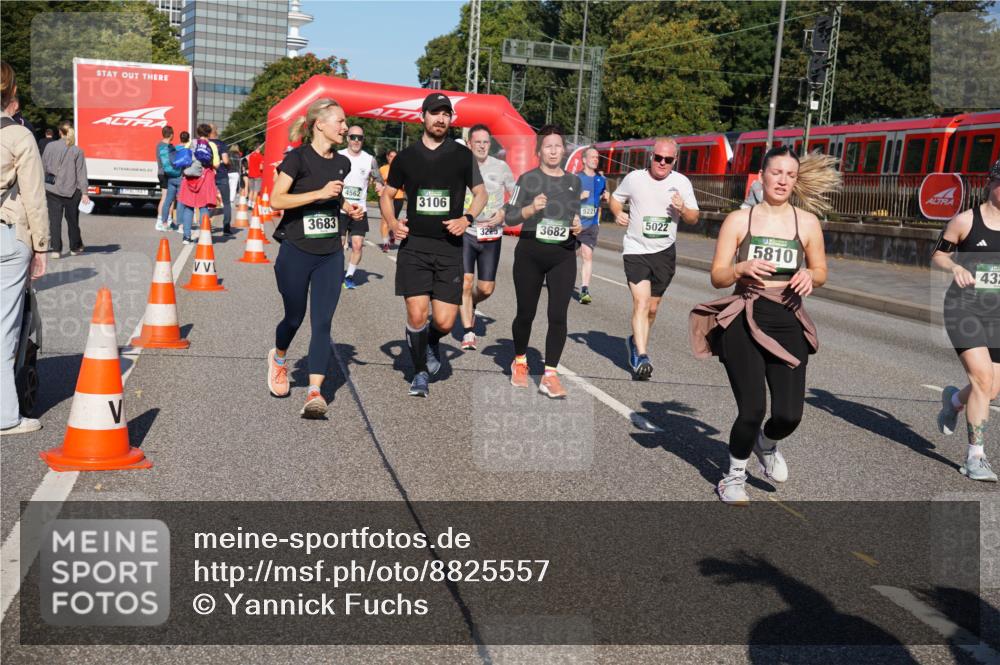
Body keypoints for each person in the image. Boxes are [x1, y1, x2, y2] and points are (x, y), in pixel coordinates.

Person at [690, 147, 839, 505]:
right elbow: (717, 276)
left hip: (787, 320)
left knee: (789, 414)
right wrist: (740, 269)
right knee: (752, 408)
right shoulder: (740, 221)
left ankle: (766, 443)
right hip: (745, 317)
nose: (783, 180)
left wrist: (809, 275)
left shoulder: (807, 223)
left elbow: (821, 270)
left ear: (796, 179)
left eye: (790, 174)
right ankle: (734, 476)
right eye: (776, 173)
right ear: (762, 176)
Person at [378, 92, 487, 397]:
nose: (441, 119)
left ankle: (432, 341)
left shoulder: (462, 155)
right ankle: (419, 373)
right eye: (435, 113)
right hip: (414, 247)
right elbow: (386, 194)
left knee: (444, 320)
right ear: (422, 117)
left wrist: (467, 218)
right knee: (416, 314)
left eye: (446, 114)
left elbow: (481, 193)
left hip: (449, 248)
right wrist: (393, 223)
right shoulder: (407, 157)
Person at [268, 98, 364, 418]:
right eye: (340, 121)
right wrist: (318, 194)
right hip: (295, 250)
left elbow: (333, 199)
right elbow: (276, 199)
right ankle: (280, 358)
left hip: (330, 254)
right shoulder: (297, 159)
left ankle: (314, 393)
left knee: (322, 323)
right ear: (319, 124)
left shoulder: (342, 163)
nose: (345, 127)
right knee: (294, 318)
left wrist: (346, 208)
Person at [609, 137, 699, 380]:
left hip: (664, 252)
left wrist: (683, 209)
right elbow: (615, 199)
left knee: (652, 308)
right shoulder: (635, 179)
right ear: (651, 156)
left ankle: (634, 342)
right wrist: (618, 213)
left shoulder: (682, 183)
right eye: (658, 158)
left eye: (667, 160)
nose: (662, 163)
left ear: (675, 161)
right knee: (641, 302)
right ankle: (642, 355)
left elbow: (693, 217)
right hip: (636, 249)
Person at [503, 125, 583, 399]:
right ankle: (521, 361)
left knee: (558, 316)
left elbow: (573, 217)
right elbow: (510, 217)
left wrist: (576, 224)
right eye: (547, 146)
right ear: (539, 152)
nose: (553, 151)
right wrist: (530, 208)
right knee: (526, 314)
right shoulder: (527, 179)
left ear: (564, 150)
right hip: (530, 255)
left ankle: (550, 374)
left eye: (557, 146)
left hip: (563, 255)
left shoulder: (574, 181)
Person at [933, 158, 1000, 483]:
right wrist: (955, 267)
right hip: (964, 309)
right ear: (990, 182)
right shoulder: (966, 221)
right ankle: (976, 457)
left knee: (992, 389)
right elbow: (939, 254)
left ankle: (954, 401)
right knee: (982, 379)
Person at [1, 60, 49, 435]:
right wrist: (42, 247)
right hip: (7, 236)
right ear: (10, 94)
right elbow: (34, 198)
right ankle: (5, 415)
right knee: (4, 327)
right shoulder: (18, 137)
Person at [460, 123, 516, 350]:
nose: (482, 146)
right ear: (469, 144)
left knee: (485, 289)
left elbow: (516, 194)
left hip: (491, 234)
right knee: (466, 282)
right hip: (465, 232)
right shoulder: (461, 165)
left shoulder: (501, 167)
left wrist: (504, 212)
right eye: (477, 142)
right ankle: (467, 332)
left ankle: (470, 304)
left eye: (485, 142)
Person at [337, 125, 383, 289]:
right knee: (339, 245)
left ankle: (349, 275)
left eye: (360, 138)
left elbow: (379, 179)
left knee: (357, 244)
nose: (356, 141)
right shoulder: (338, 156)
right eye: (353, 137)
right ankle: (335, 273)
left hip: (359, 210)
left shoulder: (369, 159)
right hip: (341, 207)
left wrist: (379, 185)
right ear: (348, 138)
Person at [42, 121, 90, 257]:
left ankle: (56, 250)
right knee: (73, 220)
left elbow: (42, 166)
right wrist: (85, 193)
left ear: (59, 132)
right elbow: (81, 173)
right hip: (72, 190)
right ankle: (74, 248)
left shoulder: (50, 146)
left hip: (52, 189)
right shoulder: (77, 151)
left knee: (55, 220)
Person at [175, 123, 217, 244]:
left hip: (189, 179)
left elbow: (184, 158)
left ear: (198, 133)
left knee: (189, 207)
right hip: (203, 178)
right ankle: (204, 235)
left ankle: (186, 237)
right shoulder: (211, 145)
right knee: (203, 207)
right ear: (209, 133)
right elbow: (216, 164)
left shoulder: (190, 143)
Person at [576, 146, 607, 305]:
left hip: (591, 224)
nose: (596, 159)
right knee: (569, 256)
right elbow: (564, 199)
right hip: (574, 224)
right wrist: (579, 196)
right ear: (584, 160)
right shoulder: (576, 178)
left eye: (597, 157)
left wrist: (605, 198)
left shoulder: (601, 180)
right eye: (592, 157)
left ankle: (584, 290)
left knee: (587, 255)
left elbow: (600, 199)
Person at [155, 125, 182, 232]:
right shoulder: (169, 147)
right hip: (167, 174)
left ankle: (167, 221)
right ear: (171, 134)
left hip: (161, 172)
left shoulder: (159, 145)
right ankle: (161, 221)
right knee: (166, 198)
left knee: (167, 198)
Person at [378, 149, 404, 252]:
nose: (393, 158)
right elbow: (377, 182)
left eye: (395, 156)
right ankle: (385, 244)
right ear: (387, 157)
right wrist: (379, 186)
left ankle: (392, 232)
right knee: (385, 219)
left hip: (398, 197)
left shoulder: (402, 169)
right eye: (391, 156)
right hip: (385, 198)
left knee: (394, 220)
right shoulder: (382, 169)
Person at [208, 124, 232, 234]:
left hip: (209, 175)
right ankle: (226, 227)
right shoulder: (221, 144)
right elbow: (226, 160)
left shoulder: (204, 144)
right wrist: (229, 165)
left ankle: (204, 224)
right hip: (222, 174)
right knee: (226, 202)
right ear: (216, 131)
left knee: (207, 201)